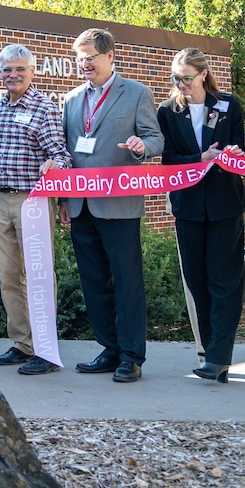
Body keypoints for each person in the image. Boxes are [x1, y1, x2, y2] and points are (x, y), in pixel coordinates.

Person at [60, 28, 163, 383]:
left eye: (90, 56)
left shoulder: (136, 93)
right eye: (80, 58)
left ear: (109, 57)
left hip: (119, 204)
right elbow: (67, 151)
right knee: (93, 282)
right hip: (80, 205)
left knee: (127, 281)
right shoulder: (72, 99)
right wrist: (63, 199)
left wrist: (141, 146)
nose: (84, 63)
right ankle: (109, 349)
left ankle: (132, 356)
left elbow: (155, 138)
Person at [157, 48, 245, 384]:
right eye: (175, 78)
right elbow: (168, 158)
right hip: (189, 208)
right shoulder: (168, 111)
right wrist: (200, 157)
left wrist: (232, 154)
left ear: (203, 75)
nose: (180, 83)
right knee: (197, 282)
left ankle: (218, 358)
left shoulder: (228, 106)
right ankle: (212, 353)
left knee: (224, 282)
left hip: (225, 205)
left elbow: (240, 149)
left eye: (186, 77)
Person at [0, 44, 71, 375]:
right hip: (2, 200)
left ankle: (45, 350)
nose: (13, 75)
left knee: (37, 275)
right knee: (8, 275)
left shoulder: (44, 108)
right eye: (7, 69)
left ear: (32, 71)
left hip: (33, 200)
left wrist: (54, 164)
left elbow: (62, 155)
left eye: (19, 69)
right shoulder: (0, 108)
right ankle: (22, 342)